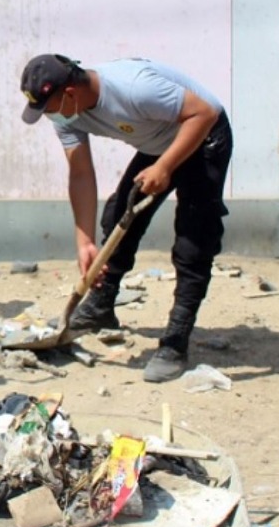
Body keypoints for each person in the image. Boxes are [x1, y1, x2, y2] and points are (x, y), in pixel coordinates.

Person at [20, 53, 233, 382]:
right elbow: (80, 174)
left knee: (194, 237)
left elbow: (205, 113)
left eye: (48, 107)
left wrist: (164, 167)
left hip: (202, 136)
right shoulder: (64, 113)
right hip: (159, 141)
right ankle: (101, 306)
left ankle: (176, 340)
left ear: (70, 94)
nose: (47, 115)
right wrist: (84, 241)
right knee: (120, 216)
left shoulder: (134, 88)